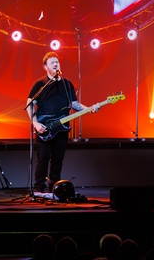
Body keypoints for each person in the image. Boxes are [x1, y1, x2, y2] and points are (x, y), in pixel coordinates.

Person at [25, 52, 99, 194]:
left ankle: (54, 188)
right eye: (52, 62)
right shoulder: (40, 84)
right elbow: (30, 103)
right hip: (45, 126)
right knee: (43, 158)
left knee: (58, 160)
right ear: (45, 67)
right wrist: (35, 123)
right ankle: (39, 188)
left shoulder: (66, 83)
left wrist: (89, 109)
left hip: (62, 127)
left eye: (57, 62)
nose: (55, 64)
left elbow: (74, 104)